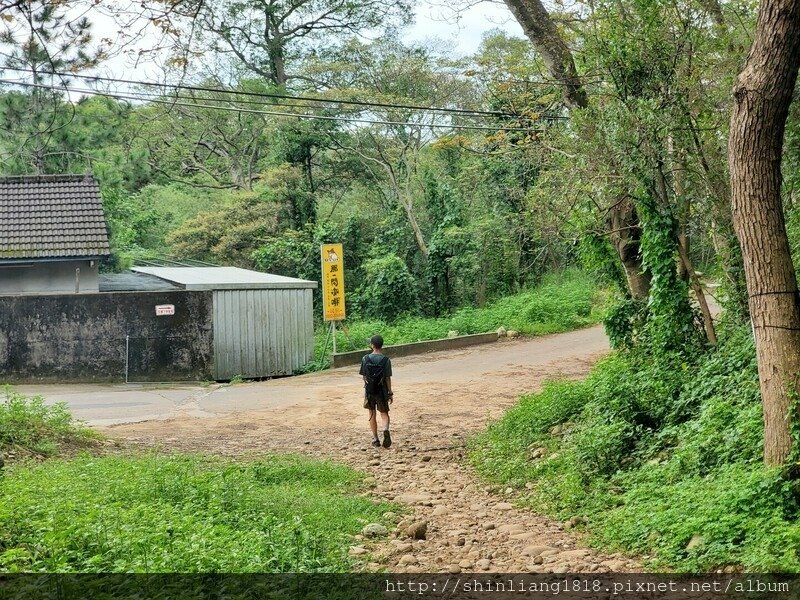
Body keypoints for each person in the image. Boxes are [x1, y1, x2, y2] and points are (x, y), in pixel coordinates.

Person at [359, 334, 394, 448]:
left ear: (372, 345)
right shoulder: (386, 360)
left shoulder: (365, 358)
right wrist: (390, 392)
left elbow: (364, 376)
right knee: (384, 413)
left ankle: (375, 439)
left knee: (372, 413)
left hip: (370, 391)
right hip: (382, 390)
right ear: (382, 345)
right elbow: (388, 378)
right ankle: (385, 429)